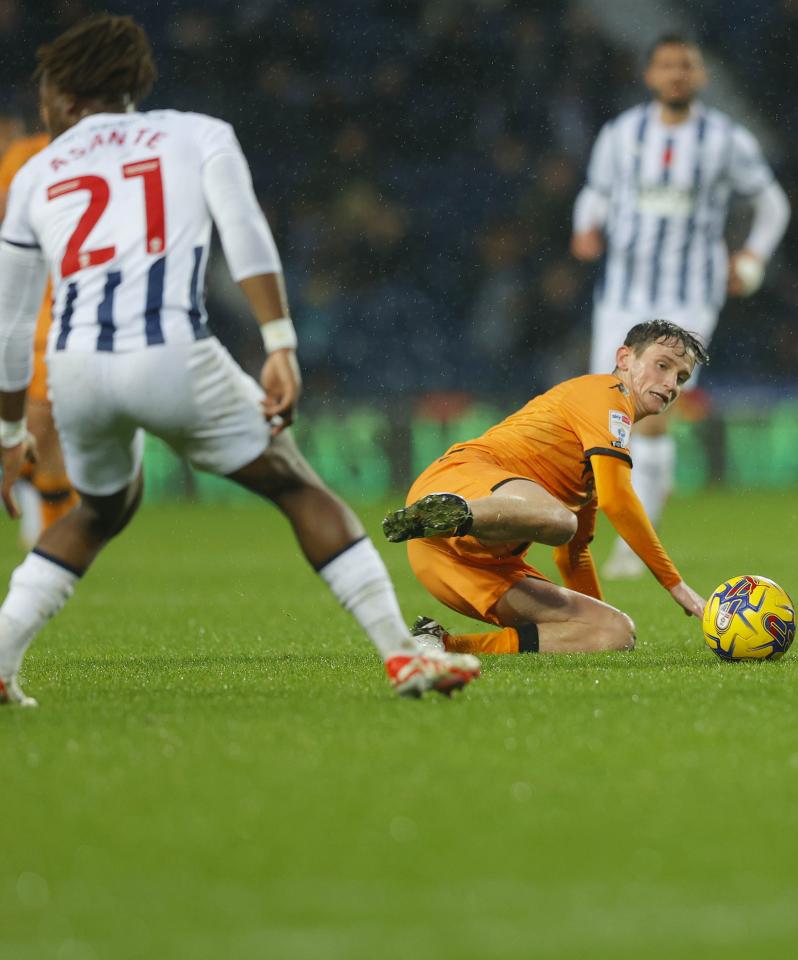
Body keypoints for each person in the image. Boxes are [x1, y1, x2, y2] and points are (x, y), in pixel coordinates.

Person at [0, 13, 480, 707]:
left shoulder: (36, 171)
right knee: (295, 486)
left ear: (69, 98)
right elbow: (245, 232)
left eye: (46, 93)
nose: (42, 107)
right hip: (170, 352)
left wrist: (10, 433)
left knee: (100, 510)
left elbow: (12, 326)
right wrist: (279, 341)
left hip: (75, 368)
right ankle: (404, 656)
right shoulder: (196, 133)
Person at [571, 33, 789, 579]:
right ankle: (616, 521)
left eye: (685, 66)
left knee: (647, 407)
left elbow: (771, 202)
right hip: (622, 295)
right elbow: (595, 192)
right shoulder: (621, 135)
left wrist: (753, 257)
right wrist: (585, 228)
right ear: (650, 75)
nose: (676, 74)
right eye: (666, 65)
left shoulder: (724, 140)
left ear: (700, 76)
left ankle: (632, 545)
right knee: (607, 412)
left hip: (688, 295)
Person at [383, 320, 707, 655]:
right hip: (460, 479)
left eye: (681, 378)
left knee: (613, 632)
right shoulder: (607, 396)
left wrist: (594, 612)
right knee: (560, 520)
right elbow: (618, 500)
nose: (670, 384)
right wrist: (675, 584)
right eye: (662, 365)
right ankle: (451, 512)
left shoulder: (595, 455)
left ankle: (441, 645)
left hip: (464, 567)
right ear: (624, 359)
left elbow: (574, 554)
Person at [0, 129, 79, 547]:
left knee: (54, 431)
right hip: (35, 314)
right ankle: (48, 518)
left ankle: (54, 522)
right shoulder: (22, 159)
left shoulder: (43, 155)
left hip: (77, 312)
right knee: (40, 425)